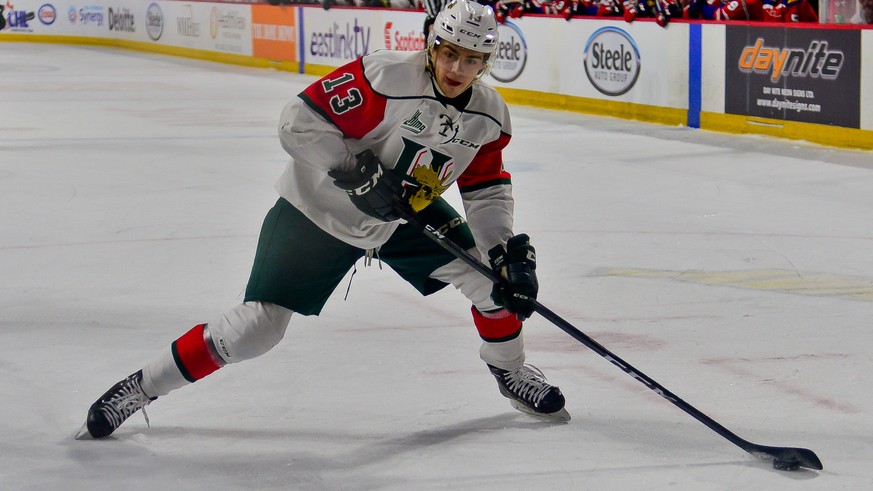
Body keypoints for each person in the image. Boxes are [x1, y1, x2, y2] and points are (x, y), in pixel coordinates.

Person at [76, 0, 569, 440]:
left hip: (402, 217)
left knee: (494, 282)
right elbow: (297, 122)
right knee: (256, 330)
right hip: (318, 212)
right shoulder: (386, 78)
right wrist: (355, 172)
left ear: (486, 64)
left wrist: (504, 251)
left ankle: (511, 371)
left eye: (471, 60)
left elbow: (484, 190)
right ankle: (139, 388)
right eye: (448, 53)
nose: (457, 67)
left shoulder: (489, 115)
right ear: (431, 44)